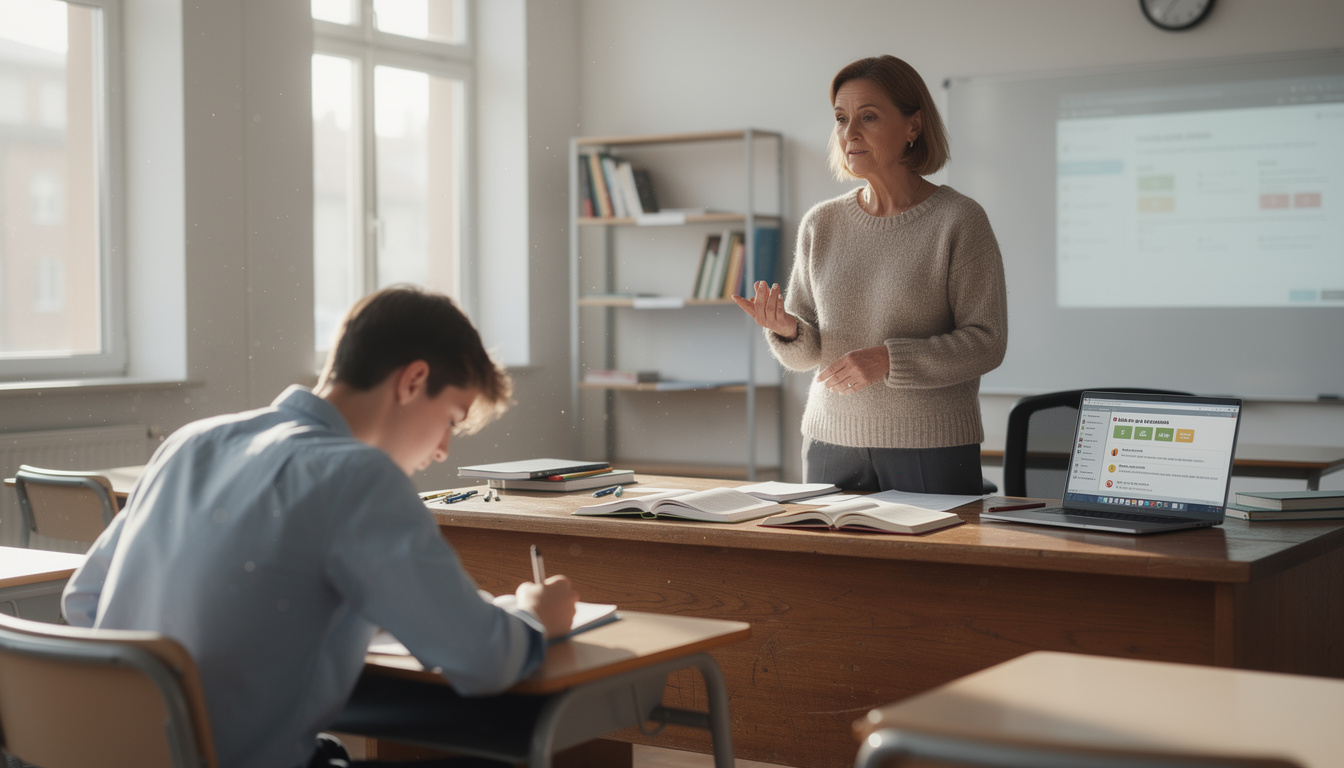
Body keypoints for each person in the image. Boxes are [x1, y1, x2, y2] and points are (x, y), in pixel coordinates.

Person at [63, 286, 578, 768]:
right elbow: (481, 658)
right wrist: (536, 616)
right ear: (413, 381)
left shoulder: (192, 441)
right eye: (451, 418)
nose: (443, 449)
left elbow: (83, 601)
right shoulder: (358, 475)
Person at [734, 55, 1007, 494]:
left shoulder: (958, 220)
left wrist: (888, 359)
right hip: (830, 441)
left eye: (869, 117)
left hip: (931, 444)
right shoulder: (821, 223)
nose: (849, 133)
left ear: (913, 126)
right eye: (841, 119)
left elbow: (986, 342)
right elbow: (808, 355)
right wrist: (788, 330)